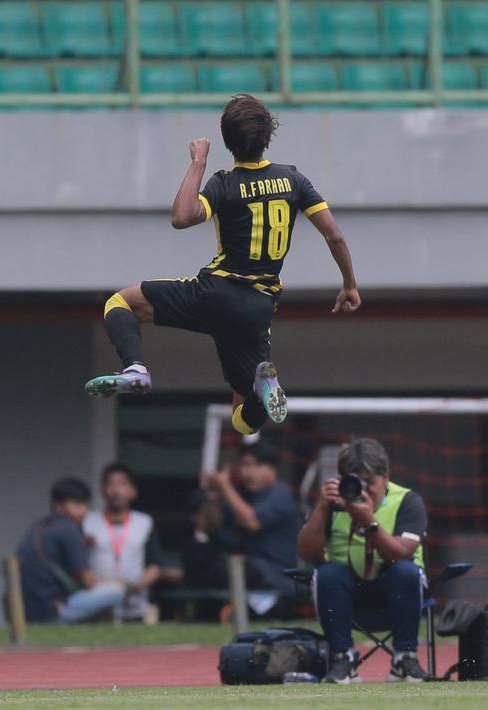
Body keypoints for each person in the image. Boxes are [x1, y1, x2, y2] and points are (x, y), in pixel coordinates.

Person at [84, 93, 362, 438]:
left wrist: (198, 161)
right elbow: (335, 237)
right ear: (267, 137)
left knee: (121, 302)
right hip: (258, 309)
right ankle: (261, 392)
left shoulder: (225, 182)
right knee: (242, 421)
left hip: (215, 294)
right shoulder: (294, 180)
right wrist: (349, 284)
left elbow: (182, 217)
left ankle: (136, 368)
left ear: (228, 142)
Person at [297, 438, 429, 684]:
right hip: (345, 596)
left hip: (397, 595)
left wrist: (370, 521)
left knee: (405, 571)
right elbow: (306, 552)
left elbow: (401, 553)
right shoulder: (334, 504)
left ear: (386, 475)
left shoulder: (407, 501)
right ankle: (343, 657)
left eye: (370, 482)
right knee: (327, 573)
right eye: (355, 482)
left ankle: (404, 657)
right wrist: (322, 509)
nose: (363, 490)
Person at [189, 443, 299, 612]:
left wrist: (225, 487)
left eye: (254, 466)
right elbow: (210, 526)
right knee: (198, 554)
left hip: (273, 574)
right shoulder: (239, 493)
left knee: (231, 568)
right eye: (244, 465)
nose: (248, 472)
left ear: (271, 469)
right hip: (241, 566)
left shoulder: (280, 493)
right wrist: (213, 496)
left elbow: (252, 522)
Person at [16, 478, 126, 623]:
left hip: (27, 612)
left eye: (86, 505)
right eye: (77, 504)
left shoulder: (39, 527)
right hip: (53, 610)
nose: (84, 510)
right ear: (59, 506)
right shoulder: (68, 529)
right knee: (117, 590)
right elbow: (88, 581)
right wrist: (112, 581)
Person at [83, 463, 163, 621]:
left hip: (135, 606)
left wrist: (134, 588)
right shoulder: (87, 522)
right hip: (96, 604)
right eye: (110, 483)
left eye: (122, 483)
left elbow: (155, 566)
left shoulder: (144, 522)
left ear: (133, 491)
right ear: (102, 490)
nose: (116, 490)